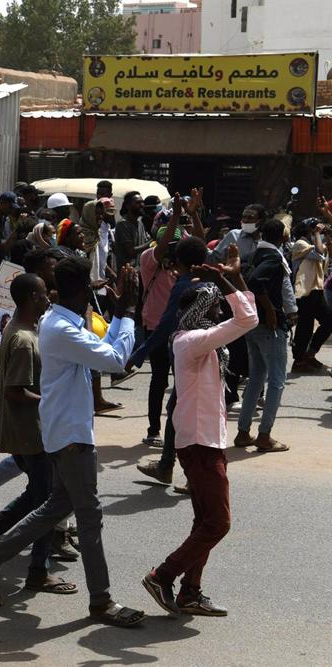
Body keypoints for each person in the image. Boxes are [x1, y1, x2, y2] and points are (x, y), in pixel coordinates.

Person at [0, 257, 146, 627]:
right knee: (90, 517)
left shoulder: (61, 322)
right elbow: (115, 360)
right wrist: (127, 311)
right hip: (70, 436)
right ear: (82, 292)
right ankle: (101, 601)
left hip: (64, 432)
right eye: (93, 290)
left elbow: (101, 349)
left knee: (55, 508)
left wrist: (118, 317)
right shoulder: (61, 328)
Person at [142, 265, 256, 618]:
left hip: (206, 439)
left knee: (204, 521)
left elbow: (242, 314)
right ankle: (163, 575)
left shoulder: (201, 343)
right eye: (214, 308)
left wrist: (234, 278)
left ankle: (191, 592)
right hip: (199, 443)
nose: (220, 312)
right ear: (199, 312)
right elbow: (247, 319)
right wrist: (226, 281)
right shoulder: (191, 341)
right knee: (218, 523)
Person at [0, 273, 78, 597]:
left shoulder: (25, 329)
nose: (47, 298)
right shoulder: (24, 338)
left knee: (38, 497)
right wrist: (51, 400)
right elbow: (14, 390)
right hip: (32, 434)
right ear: (29, 298)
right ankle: (36, 570)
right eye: (41, 295)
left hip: (30, 432)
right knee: (47, 506)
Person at [133, 233, 209, 487]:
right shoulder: (210, 282)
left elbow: (166, 324)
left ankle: (189, 474)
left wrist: (141, 351)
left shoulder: (183, 285)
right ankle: (167, 465)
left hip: (189, 356)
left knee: (183, 412)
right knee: (183, 409)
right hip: (208, 356)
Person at [234, 219, 292, 453]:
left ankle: (243, 432)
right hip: (269, 327)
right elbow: (256, 282)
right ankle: (264, 435)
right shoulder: (272, 257)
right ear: (282, 236)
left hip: (254, 325)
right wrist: (269, 310)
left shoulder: (255, 253)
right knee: (277, 382)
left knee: (257, 378)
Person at [289, 216, 329, 372]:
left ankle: (310, 353)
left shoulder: (313, 244)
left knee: (328, 321)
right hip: (304, 292)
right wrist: (318, 234)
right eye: (315, 229)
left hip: (316, 290)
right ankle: (299, 360)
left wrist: (326, 236)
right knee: (305, 326)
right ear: (308, 230)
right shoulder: (300, 244)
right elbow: (319, 252)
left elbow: (325, 252)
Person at [115, 191, 151, 269]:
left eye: (142, 202)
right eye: (138, 202)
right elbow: (131, 251)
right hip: (126, 273)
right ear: (128, 206)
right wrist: (151, 242)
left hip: (139, 271)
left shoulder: (140, 223)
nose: (142, 205)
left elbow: (144, 243)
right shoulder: (123, 224)